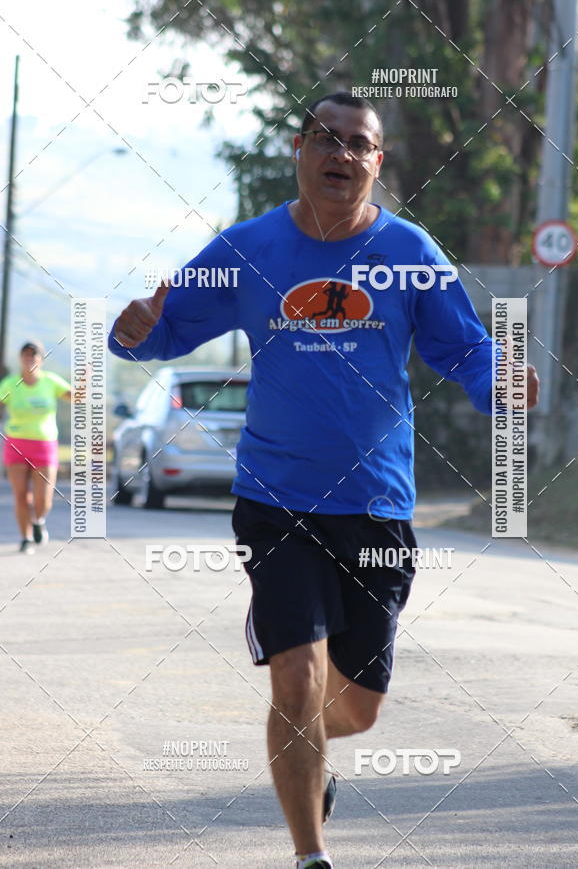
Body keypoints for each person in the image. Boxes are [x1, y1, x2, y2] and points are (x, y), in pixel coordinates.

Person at [109, 91, 540, 869]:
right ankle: (311, 856)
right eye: (325, 139)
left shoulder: (409, 251)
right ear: (300, 153)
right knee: (296, 677)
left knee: (354, 710)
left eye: (358, 144)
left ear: (378, 163)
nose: (341, 153)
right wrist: (132, 330)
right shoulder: (247, 250)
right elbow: (159, 328)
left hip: (376, 503)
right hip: (276, 500)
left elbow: (464, 349)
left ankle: (306, 752)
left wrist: (498, 383)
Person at [0, 341, 71, 553]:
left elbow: (75, 397)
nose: (30, 359)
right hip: (17, 444)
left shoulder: (51, 382)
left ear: (40, 359)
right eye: (26, 355)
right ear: (21, 359)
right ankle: (26, 537)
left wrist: (85, 383)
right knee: (21, 495)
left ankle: (39, 520)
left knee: (43, 498)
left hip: (45, 446)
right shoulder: (10, 384)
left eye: (34, 356)